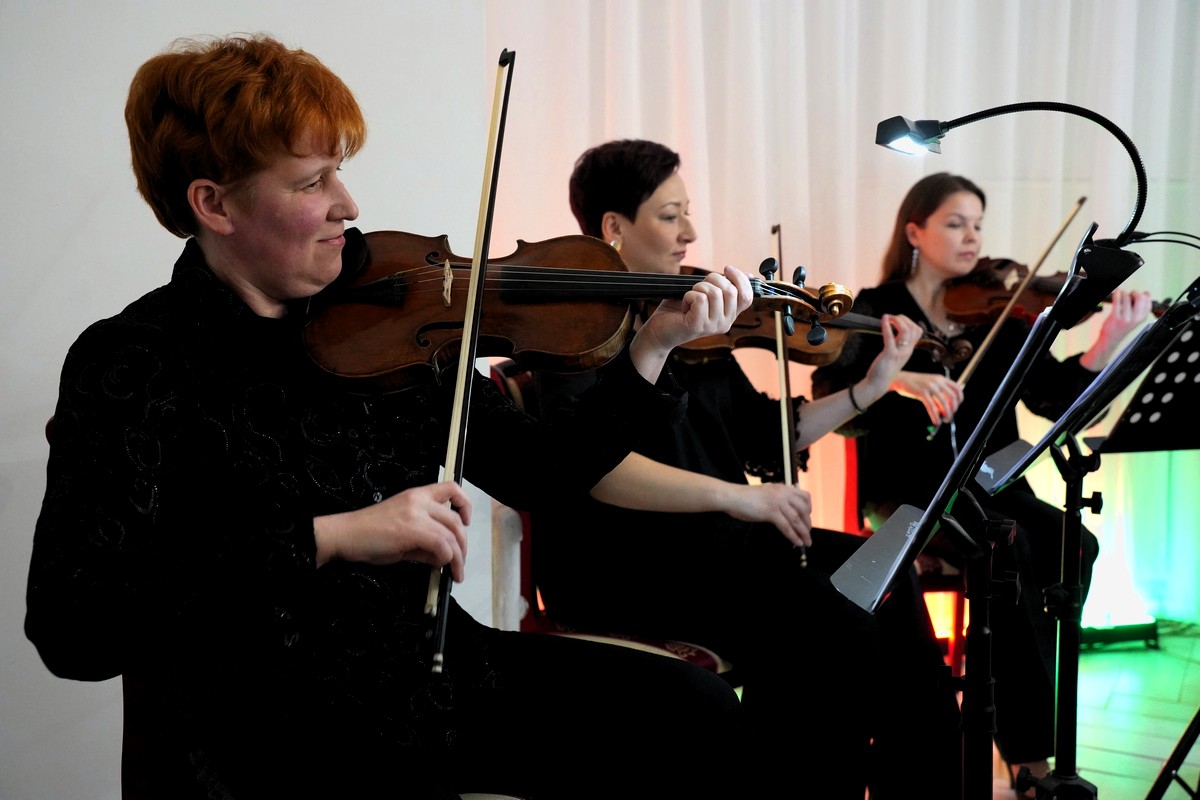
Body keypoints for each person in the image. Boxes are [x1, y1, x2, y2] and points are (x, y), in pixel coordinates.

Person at [21, 36, 789, 800]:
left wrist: (651, 347)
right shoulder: (135, 361)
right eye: (312, 181)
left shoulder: (389, 323)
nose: (348, 206)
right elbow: (74, 625)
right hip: (257, 730)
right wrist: (335, 536)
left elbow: (543, 475)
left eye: (340, 171)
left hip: (427, 680)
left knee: (696, 714)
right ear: (213, 203)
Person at [521, 138, 964, 799]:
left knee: (887, 580)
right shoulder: (570, 335)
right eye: (670, 215)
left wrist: (869, 389)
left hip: (723, 547)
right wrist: (740, 498)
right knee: (833, 626)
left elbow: (769, 434)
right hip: (634, 565)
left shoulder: (693, 317)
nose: (690, 233)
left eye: (686, 213)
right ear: (614, 226)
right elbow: (597, 469)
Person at [810, 171, 1153, 792]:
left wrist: (1106, 344)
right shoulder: (876, 307)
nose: (971, 237)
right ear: (915, 232)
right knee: (1007, 550)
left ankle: (1016, 694)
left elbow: (1053, 399)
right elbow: (833, 399)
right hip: (910, 492)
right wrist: (896, 378)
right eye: (954, 223)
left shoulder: (1001, 307)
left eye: (977, 224)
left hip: (994, 484)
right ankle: (1029, 755)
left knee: (1076, 545)